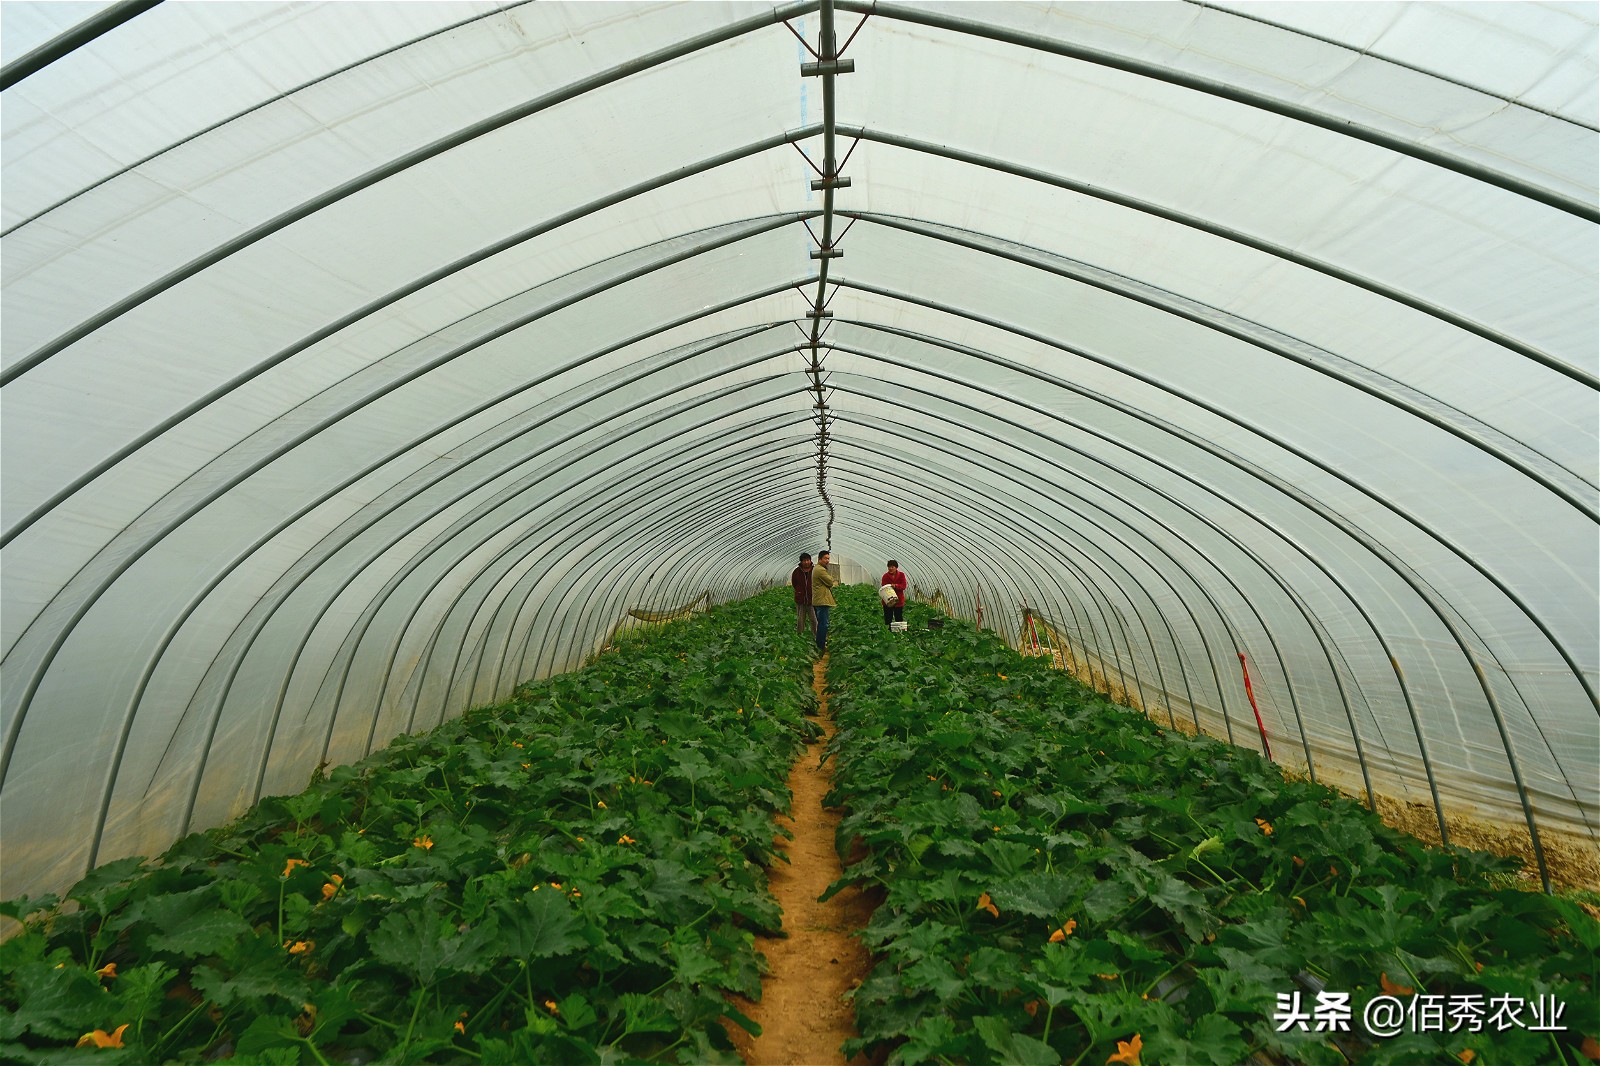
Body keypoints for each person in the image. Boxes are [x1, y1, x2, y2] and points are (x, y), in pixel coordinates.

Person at [811, 549, 839, 653]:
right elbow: (830, 582)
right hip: (822, 600)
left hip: (820, 599)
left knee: (822, 622)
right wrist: (831, 579)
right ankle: (820, 645)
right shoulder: (820, 570)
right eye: (825, 558)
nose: (827, 560)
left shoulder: (819, 568)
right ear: (820, 559)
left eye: (828, 558)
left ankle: (820, 643)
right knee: (823, 623)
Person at [790, 553, 815, 636]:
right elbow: (794, 583)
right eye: (804, 560)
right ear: (801, 562)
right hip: (800, 600)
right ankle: (800, 636)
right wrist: (799, 592)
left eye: (808, 560)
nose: (806, 562)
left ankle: (815, 635)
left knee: (814, 619)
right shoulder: (797, 571)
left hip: (812, 599)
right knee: (800, 620)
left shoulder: (814, 570)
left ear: (810, 561)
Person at [880, 560, 907, 627]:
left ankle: (899, 633)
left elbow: (903, 586)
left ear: (896, 567)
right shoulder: (885, 576)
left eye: (892, 567)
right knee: (888, 618)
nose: (890, 568)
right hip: (888, 600)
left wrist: (895, 586)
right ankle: (888, 633)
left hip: (899, 600)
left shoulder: (901, 575)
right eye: (889, 567)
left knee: (898, 617)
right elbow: (884, 587)